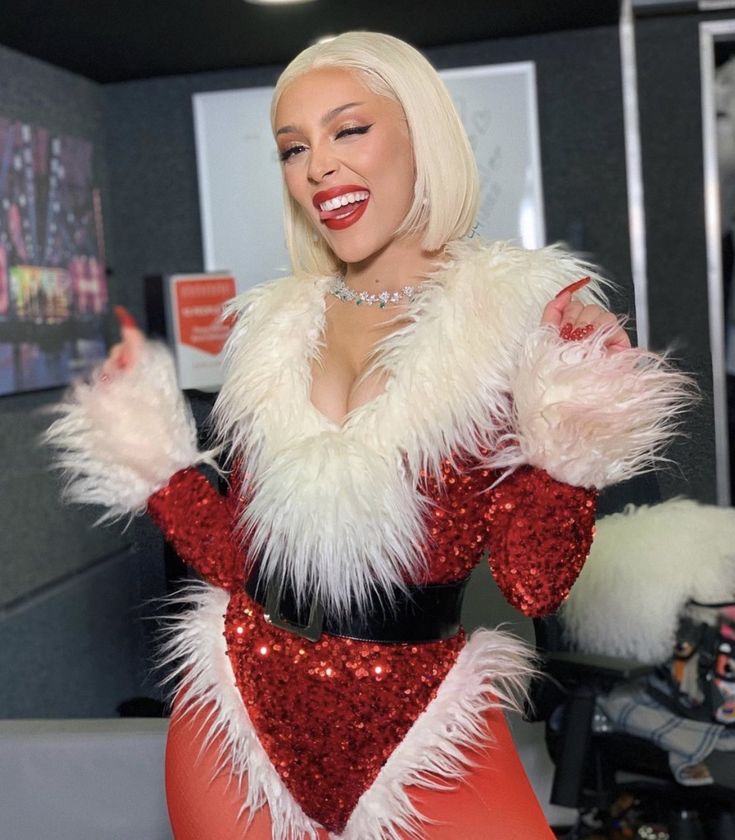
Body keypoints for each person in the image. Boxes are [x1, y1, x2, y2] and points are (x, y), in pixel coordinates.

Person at [46, 31, 692, 840]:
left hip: (423, 725)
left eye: (348, 130)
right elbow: (239, 559)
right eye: (293, 147)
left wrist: (575, 414)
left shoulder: (514, 316)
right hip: (235, 710)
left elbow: (533, 583)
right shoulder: (275, 328)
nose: (317, 166)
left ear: (421, 136)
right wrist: (149, 453)